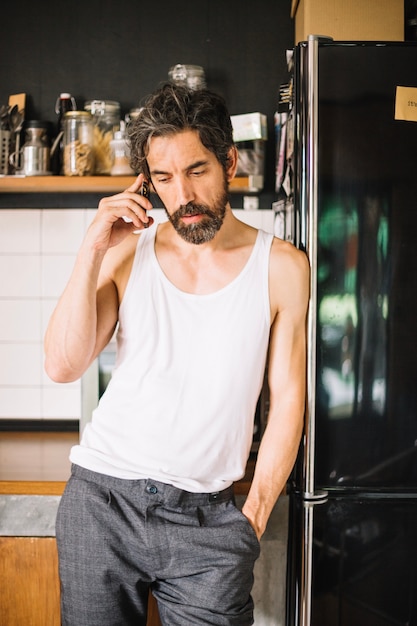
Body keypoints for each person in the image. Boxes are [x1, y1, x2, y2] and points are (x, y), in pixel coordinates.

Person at [44, 83, 309, 626]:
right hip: (102, 505)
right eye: (163, 178)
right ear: (147, 181)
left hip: (208, 523)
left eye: (197, 170)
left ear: (229, 161)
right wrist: (94, 246)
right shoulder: (125, 252)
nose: (181, 193)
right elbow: (63, 365)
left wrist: (251, 518)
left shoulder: (282, 267)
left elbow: (287, 404)